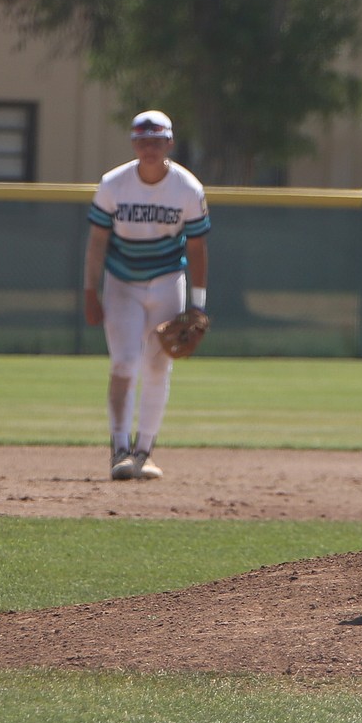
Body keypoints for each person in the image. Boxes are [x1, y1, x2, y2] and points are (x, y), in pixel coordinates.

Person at [82, 110, 211, 480]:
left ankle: (145, 451)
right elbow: (97, 241)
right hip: (121, 281)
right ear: (134, 144)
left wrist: (198, 304)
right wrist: (91, 291)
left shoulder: (187, 187)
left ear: (170, 143)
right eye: (143, 140)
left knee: (158, 364)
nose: (150, 147)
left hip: (168, 278)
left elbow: (199, 246)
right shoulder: (114, 183)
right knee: (123, 362)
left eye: (157, 140)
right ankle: (119, 449)